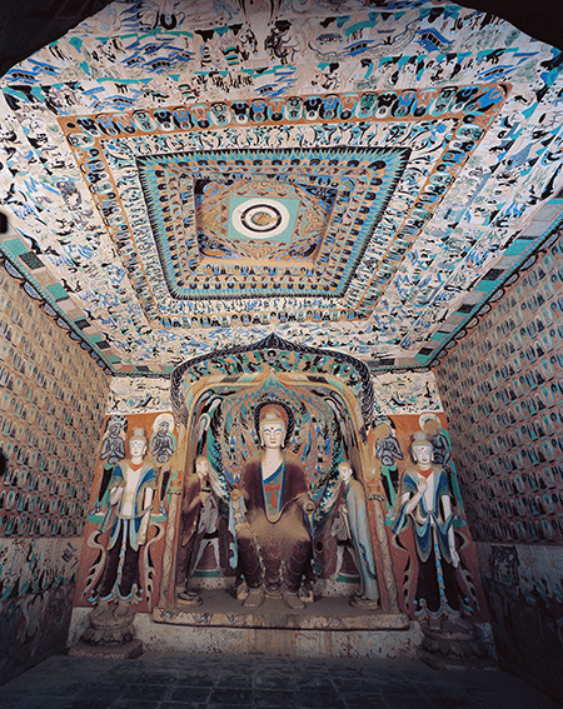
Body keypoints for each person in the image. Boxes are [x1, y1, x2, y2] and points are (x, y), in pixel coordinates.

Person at [232, 403, 314, 610]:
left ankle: (291, 590)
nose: (272, 436)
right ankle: (255, 589)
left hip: (287, 514)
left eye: (277, 431)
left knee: (302, 539)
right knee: (245, 536)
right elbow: (245, 492)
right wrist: (238, 495)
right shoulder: (252, 464)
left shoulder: (293, 464)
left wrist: (306, 503)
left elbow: (300, 494)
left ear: (284, 435)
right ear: (260, 435)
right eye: (268, 432)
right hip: (259, 513)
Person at [392, 432, 462, 618]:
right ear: (414, 455)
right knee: (427, 567)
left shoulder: (440, 473)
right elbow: (405, 509)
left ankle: (454, 610)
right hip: (421, 525)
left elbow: (447, 509)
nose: (423, 455)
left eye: (426, 451)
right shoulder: (409, 474)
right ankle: (433, 610)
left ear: (432, 454)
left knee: (448, 565)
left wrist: (452, 546)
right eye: (419, 451)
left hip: (441, 525)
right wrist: (420, 493)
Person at [94, 428, 156, 612]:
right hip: (119, 519)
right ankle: (104, 597)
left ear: (145, 448)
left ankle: (124, 599)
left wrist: (143, 527)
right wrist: (120, 488)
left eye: (139, 445)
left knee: (131, 559)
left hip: (136, 520)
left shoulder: (149, 469)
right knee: (112, 557)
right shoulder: (120, 467)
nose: (136, 447)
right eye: (133, 444)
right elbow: (112, 500)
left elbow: (148, 502)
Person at [176, 456, 228, 604]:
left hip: (196, 525)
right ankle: (179, 589)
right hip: (188, 526)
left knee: (189, 557)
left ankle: (183, 587)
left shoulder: (203, 481)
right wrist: (200, 497)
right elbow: (185, 508)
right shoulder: (193, 480)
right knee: (183, 557)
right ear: (197, 466)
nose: (206, 469)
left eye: (207, 466)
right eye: (204, 465)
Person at [337, 461, 379, 607]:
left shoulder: (356, 487)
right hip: (354, 529)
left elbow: (360, 510)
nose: (343, 474)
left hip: (360, 530)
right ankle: (364, 590)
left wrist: (360, 532)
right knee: (360, 562)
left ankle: (372, 593)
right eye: (340, 472)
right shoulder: (349, 487)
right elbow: (352, 507)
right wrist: (345, 509)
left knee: (366, 560)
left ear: (350, 471)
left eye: (345, 471)